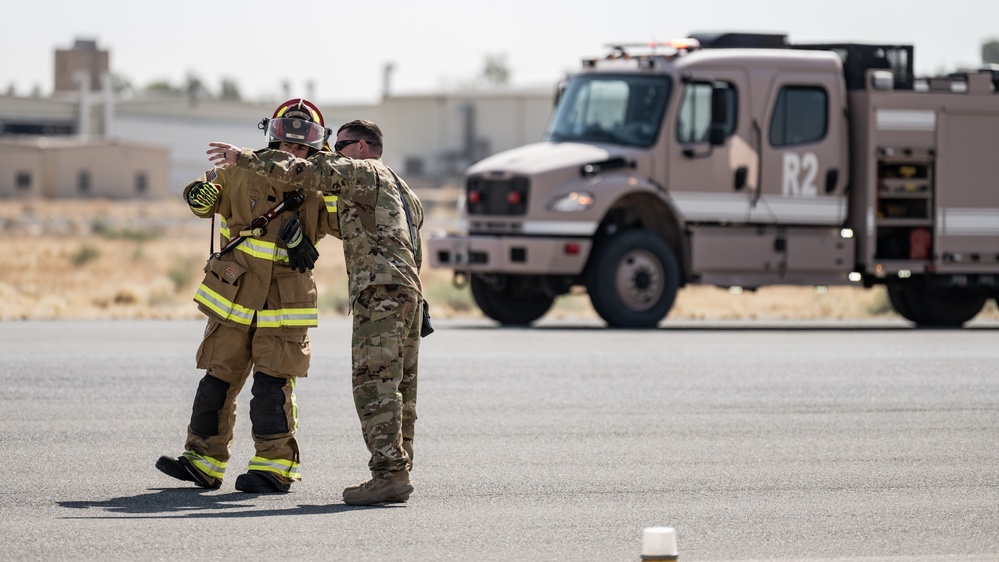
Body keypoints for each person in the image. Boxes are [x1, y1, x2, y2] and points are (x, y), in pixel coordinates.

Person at [208, 119, 424, 506]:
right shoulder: (403, 190)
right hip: (407, 293)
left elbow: (306, 171)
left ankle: (389, 474)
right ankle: (399, 470)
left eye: (339, 145)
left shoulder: (363, 170)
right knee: (401, 387)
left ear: (361, 146)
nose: (333, 152)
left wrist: (244, 158)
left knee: (374, 385)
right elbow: (412, 241)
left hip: (380, 293)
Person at [156, 99, 333, 494]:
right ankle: (202, 460)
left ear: (316, 150)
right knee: (215, 382)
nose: (292, 153)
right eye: (287, 144)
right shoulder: (238, 170)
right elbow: (208, 199)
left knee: (271, 389)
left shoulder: (323, 182)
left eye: (302, 148)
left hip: (283, 303)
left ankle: (274, 467)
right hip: (234, 295)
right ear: (273, 137)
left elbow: (342, 219)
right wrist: (198, 194)